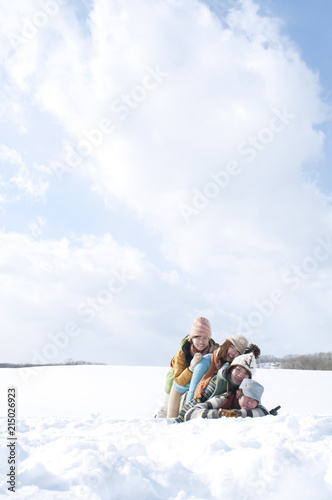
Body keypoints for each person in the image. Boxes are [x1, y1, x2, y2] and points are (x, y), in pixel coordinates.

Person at [175, 344, 260, 423]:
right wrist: (180, 420)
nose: (240, 375)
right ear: (231, 369)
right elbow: (196, 402)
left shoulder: (246, 388)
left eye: (246, 373)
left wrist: (234, 413)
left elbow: (257, 408)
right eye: (238, 370)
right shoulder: (217, 382)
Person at [166, 316, 217, 418]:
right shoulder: (182, 353)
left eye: (205, 338)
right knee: (167, 411)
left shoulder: (214, 351)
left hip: (199, 385)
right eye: (198, 337)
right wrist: (191, 368)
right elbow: (179, 381)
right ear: (191, 338)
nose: (201, 342)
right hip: (179, 383)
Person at [186, 334, 248, 402]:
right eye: (232, 347)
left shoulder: (232, 372)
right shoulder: (205, 361)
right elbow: (192, 390)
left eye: (238, 352)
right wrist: (188, 410)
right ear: (226, 345)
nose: (233, 353)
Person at [184, 378, 269, 421]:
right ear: (238, 393)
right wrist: (222, 414)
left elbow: (265, 413)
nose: (250, 403)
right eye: (248, 397)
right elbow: (191, 413)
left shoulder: (256, 408)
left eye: (255, 400)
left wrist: (236, 414)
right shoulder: (223, 400)